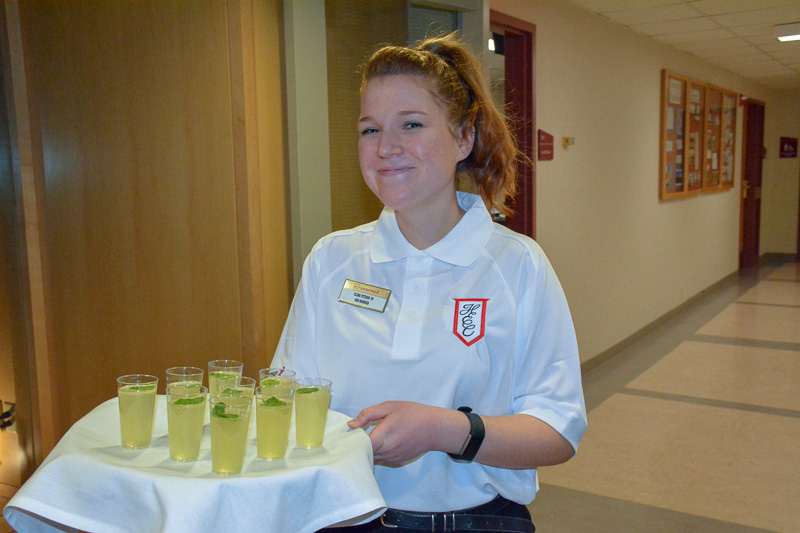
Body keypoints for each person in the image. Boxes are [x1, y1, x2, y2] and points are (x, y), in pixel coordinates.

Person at [272, 33, 587, 533]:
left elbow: (558, 431)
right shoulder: (332, 260)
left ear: (463, 138)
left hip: (476, 522)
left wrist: (445, 429)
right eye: (370, 129)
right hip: (341, 516)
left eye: (411, 125)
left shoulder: (517, 266)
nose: (386, 148)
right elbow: (287, 399)